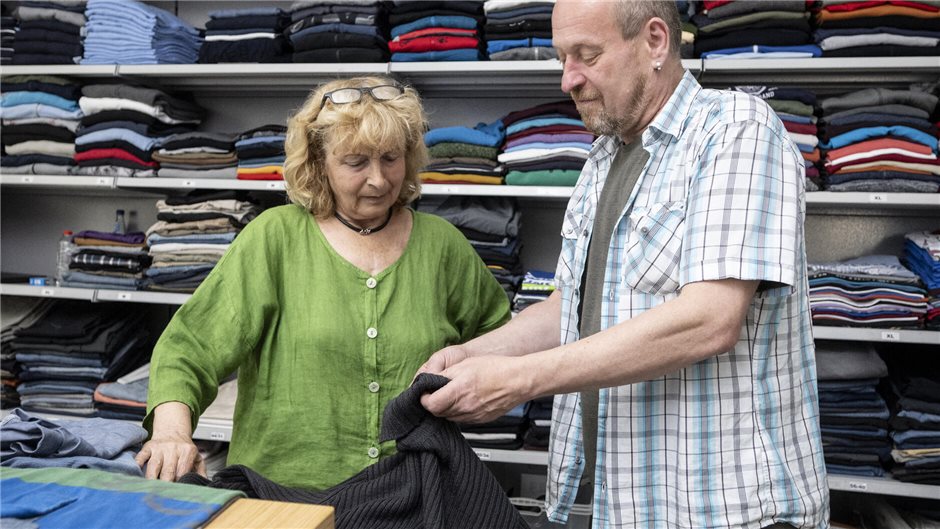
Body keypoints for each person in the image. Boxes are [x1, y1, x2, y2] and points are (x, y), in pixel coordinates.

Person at [417, 1, 829, 528]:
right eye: (563, 58)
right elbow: (572, 304)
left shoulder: (735, 132)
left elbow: (710, 319)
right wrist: (470, 355)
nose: (568, 79)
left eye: (586, 55)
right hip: (629, 503)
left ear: (656, 41)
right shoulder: (603, 157)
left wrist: (518, 380)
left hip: (725, 507)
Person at [137, 76, 511, 490]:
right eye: (356, 162)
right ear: (318, 163)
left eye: (391, 158)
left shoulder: (442, 246)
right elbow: (191, 347)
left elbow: (502, 343)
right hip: (283, 498)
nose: (379, 180)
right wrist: (171, 431)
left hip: (413, 495)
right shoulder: (274, 239)